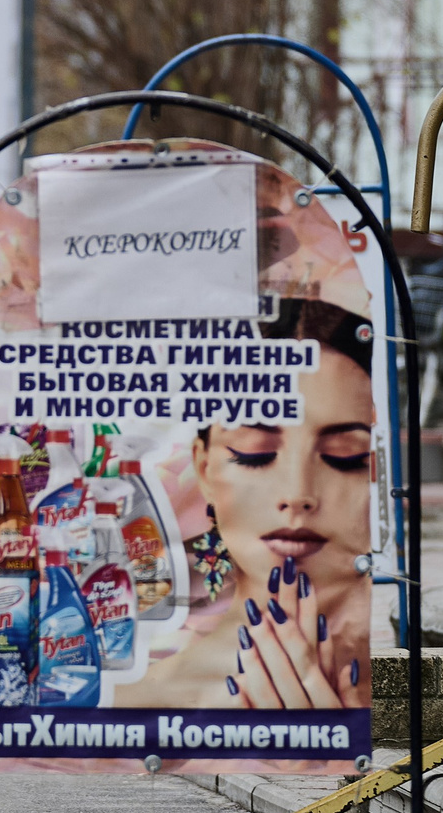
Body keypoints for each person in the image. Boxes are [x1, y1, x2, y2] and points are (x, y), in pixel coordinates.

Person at [114, 299, 376, 713]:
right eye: (255, 453)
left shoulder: (362, 687)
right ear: (204, 468)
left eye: (345, 456)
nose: (297, 494)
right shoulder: (132, 706)